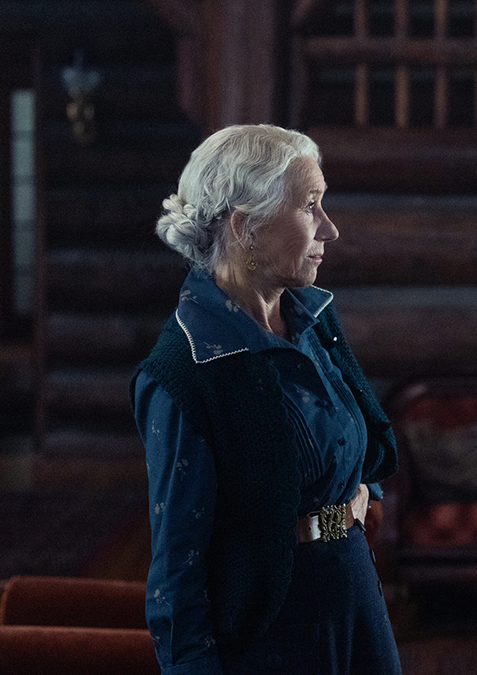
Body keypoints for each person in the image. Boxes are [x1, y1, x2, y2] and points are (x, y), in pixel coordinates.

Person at [131, 124, 402, 675]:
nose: (330, 228)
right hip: (276, 635)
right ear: (246, 227)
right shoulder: (184, 371)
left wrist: (352, 500)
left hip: (354, 605)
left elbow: (356, 441)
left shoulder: (312, 318)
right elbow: (177, 577)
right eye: (309, 206)